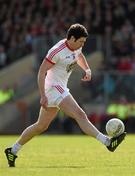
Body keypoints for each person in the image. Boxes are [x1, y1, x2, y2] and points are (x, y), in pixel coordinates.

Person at [4, 23, 126, 167]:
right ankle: (108, 142)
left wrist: (87, 70)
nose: (82, 44)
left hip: (59, 88)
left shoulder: (76, 47)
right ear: (72, 38)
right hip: (53, 88)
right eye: (81, 41)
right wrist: (43, 95)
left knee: (41, 126)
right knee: (80, 115)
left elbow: (79, 55)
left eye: (84, 42)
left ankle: (13, 150)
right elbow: (41, 72)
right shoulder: (56, 51)